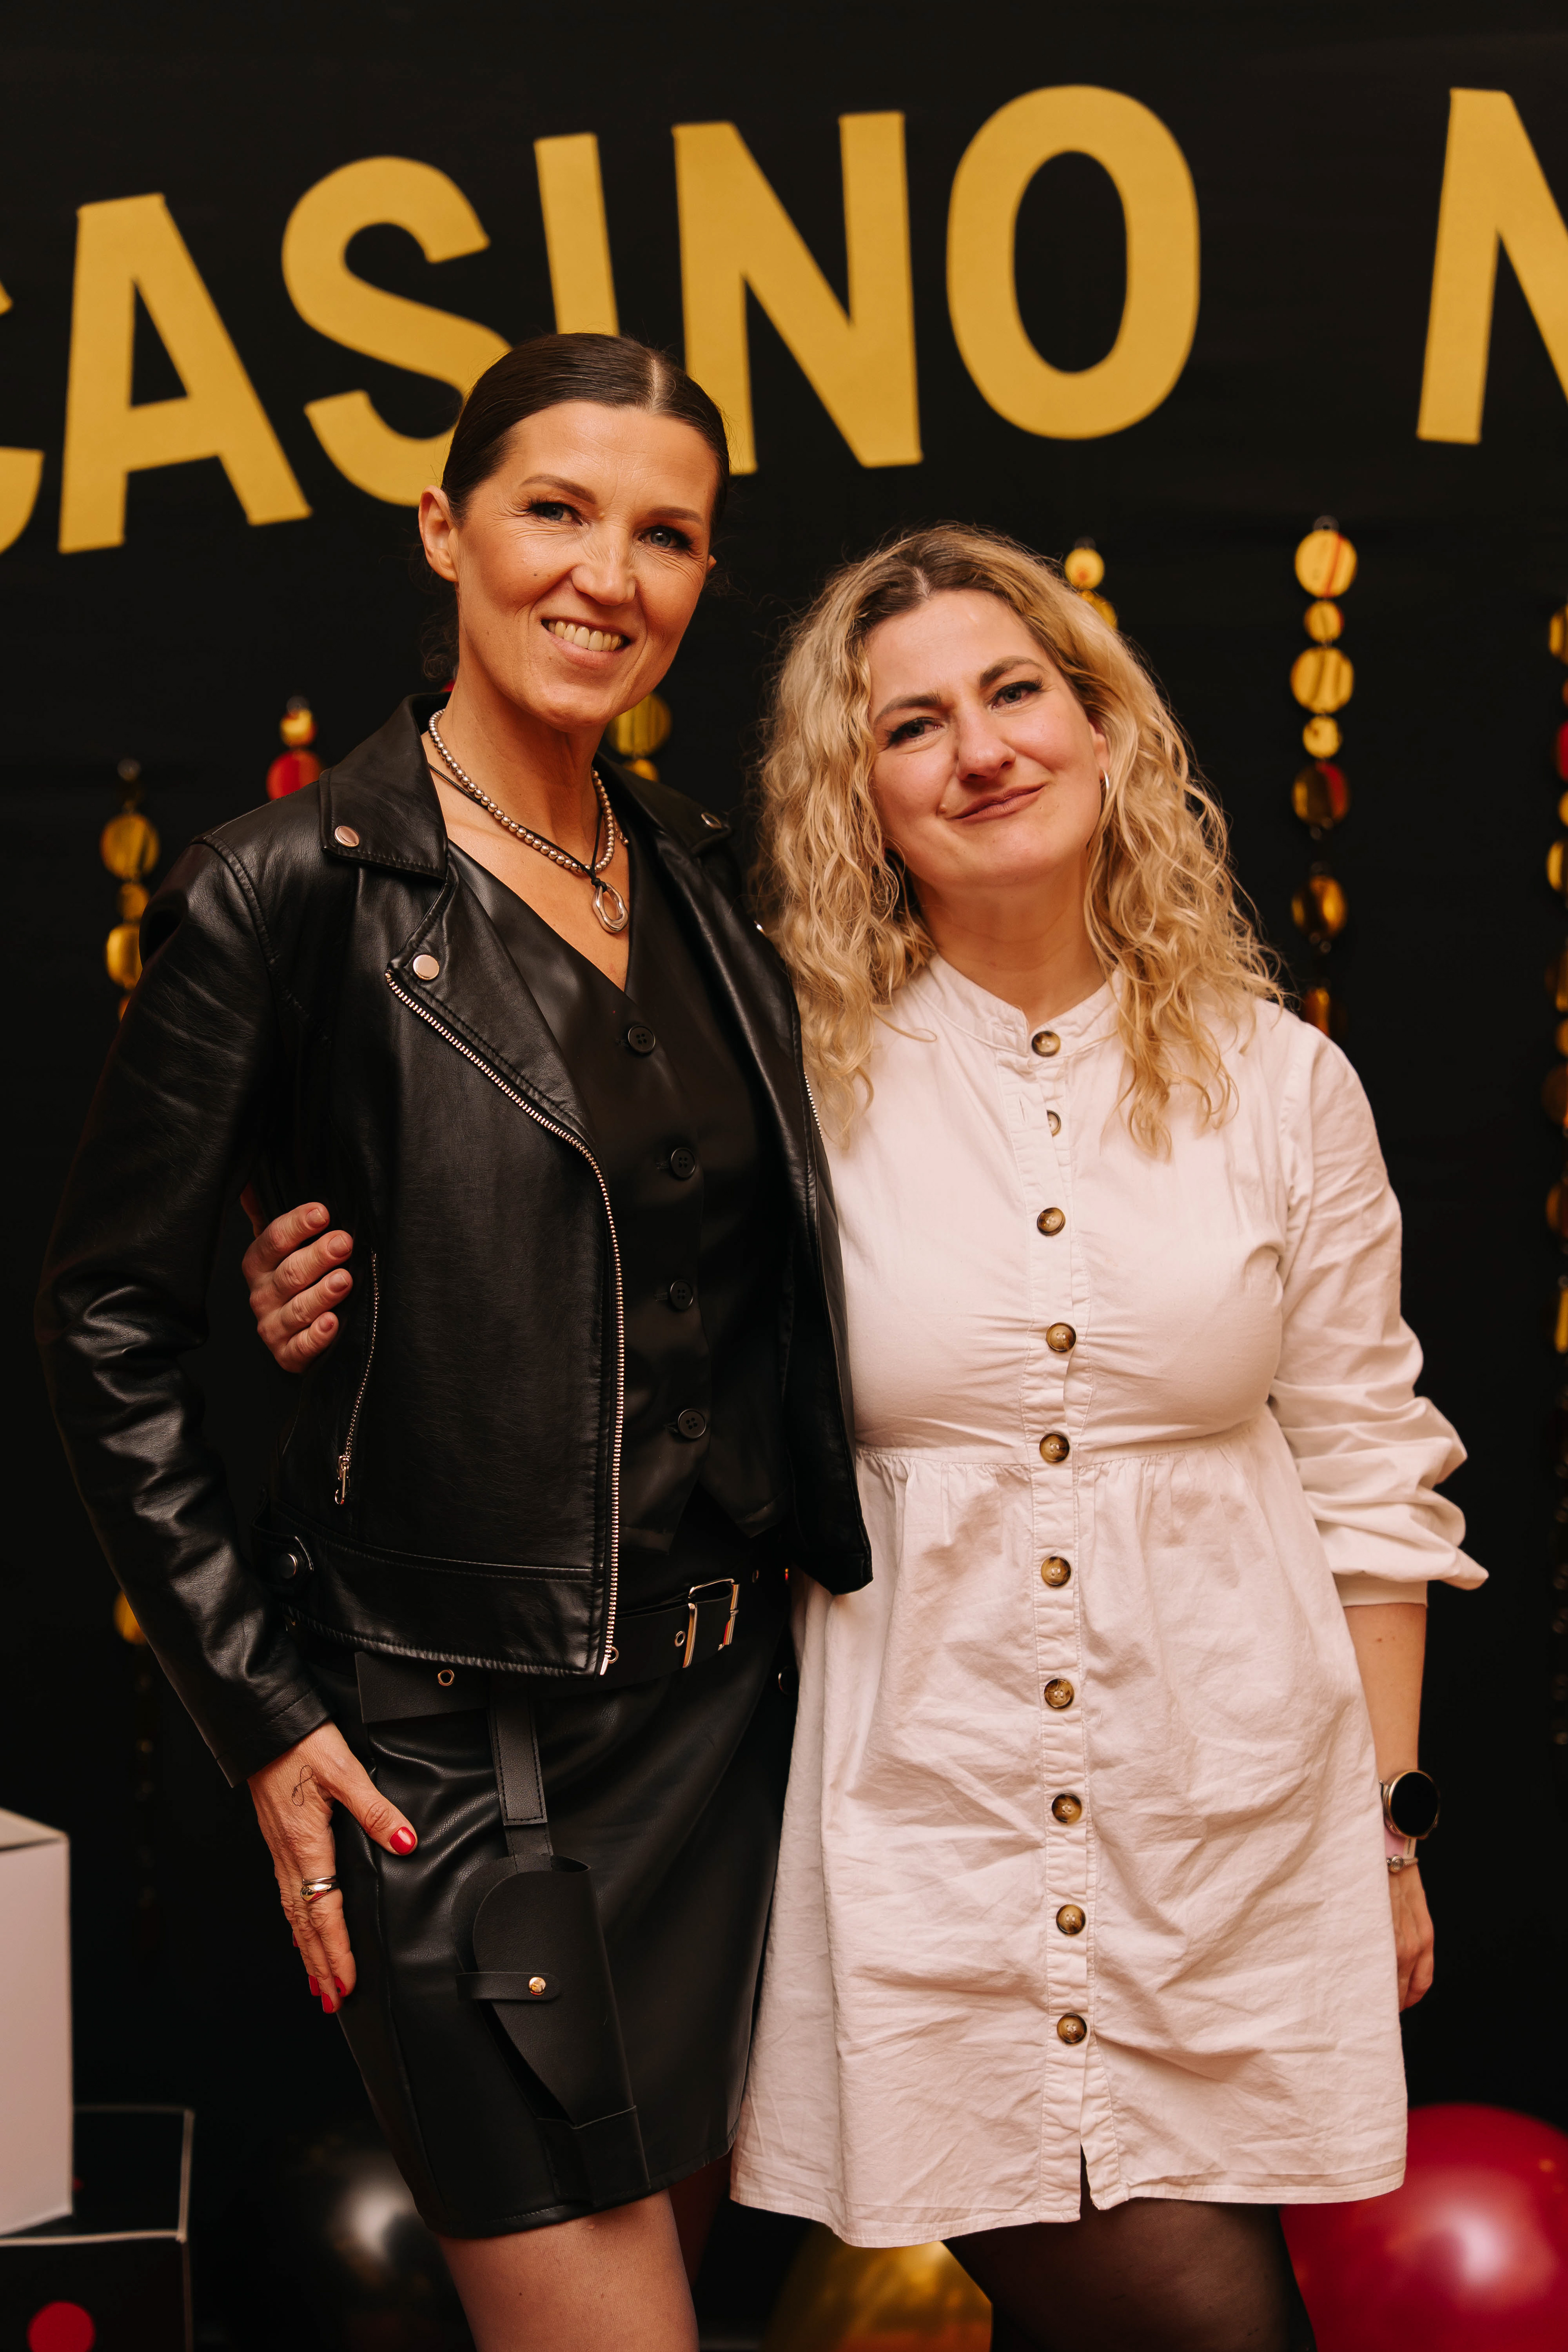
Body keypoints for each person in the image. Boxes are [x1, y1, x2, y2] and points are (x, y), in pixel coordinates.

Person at [240, 522, 1477, 2352]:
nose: (979, 751)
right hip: (919, 1835)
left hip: (1225, 1840)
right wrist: (321, 1288)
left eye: (1014, 693)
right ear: (861, 799)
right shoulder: (785, 1076)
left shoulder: (1285, 1083)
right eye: (913, 727)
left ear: (1104, 725)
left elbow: (1372, 1482)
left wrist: (1387, 1837)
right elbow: (583, 1302)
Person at [36, 332, 869, 2352]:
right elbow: (105, 1318)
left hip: (734, 1732)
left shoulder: (701, 881)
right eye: (554, 510)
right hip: (466, 1754)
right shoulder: (281, 894)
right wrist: (256, 1708)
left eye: (665, 535)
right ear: (445, 526)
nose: (608, 576)